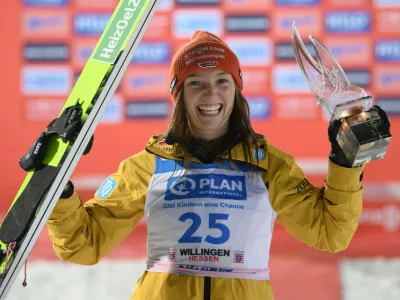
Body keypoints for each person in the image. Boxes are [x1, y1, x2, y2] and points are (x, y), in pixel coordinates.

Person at [45, 30, 390, 300]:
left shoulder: (268, 164)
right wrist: (58, 192)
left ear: (236, 91)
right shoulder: (149, 164)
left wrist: (345, 162)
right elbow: (83, 243)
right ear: (179, 95)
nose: (211, 95)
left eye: (222, 82)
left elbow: (330, 233)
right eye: (196, 83)